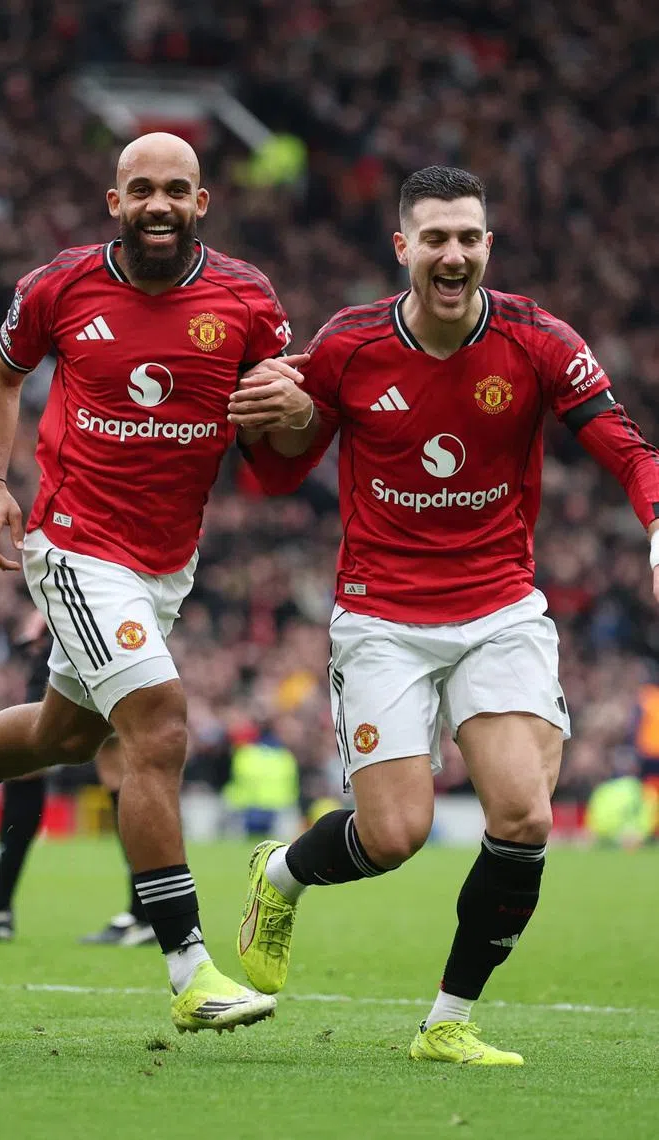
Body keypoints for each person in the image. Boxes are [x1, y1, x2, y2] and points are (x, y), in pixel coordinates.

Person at [0, 131, 309, 1033]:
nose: (159, 204)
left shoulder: (248, 299)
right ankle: (189, 969)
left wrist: (297, 409)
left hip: (167, 561)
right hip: (75, 544)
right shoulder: (61, 285)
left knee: (63, 734)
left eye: (176, 189)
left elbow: (279, 443)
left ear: (201, 204)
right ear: (115, 201)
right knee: (158, 725)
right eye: (141, 189)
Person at [233, 165, 659, 1065]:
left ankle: (447, 1021)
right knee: (395, 837)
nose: (453, 254)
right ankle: (282, 875)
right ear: (404, 248)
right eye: (435, 238)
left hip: (498, 609)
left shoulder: (537, 338)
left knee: (524, 816)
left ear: (488, 246)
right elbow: (277, 470)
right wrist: (282, 418)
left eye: (468, 237)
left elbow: (628, 449)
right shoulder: (349, 345)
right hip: (382, 617)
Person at [0, 613, 154, 945]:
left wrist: (47, 611)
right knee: (115, 758)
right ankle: (145, 913)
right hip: (114, 626)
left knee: (29, 752)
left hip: (78, 625)